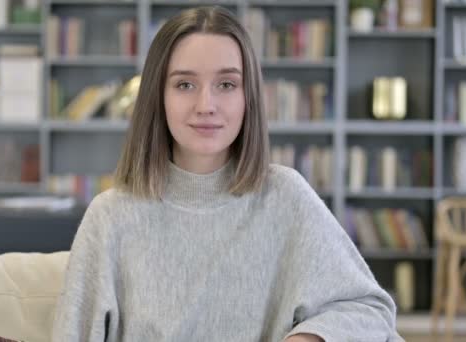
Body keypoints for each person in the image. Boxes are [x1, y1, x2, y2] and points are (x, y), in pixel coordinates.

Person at [52, 6, 403, 342]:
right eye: (185, 85)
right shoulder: (110, 217)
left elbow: (371, 311)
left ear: (248, 97)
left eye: (226, 85)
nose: (206, 104)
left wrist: (308, 337)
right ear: (157, 98)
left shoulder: (285, 196)